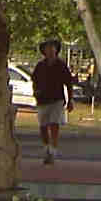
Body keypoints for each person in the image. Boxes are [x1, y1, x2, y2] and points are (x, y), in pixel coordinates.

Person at [31, 37, 77, 165]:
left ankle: (53, 150)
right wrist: (35, 92)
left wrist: (70, 99)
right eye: (47, 48)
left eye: (52, 48)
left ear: (56, 50)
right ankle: (46, 147)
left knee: (54, 123)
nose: (50, 50)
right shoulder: (40, 66)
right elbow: (34, 81)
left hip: (57, 99)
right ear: (44, 51)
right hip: (42, 100)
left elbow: (68, 83)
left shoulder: (61, 65)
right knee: (43, 126)